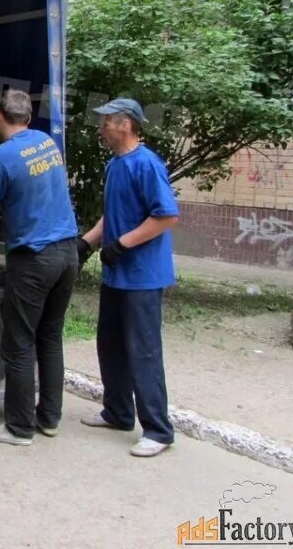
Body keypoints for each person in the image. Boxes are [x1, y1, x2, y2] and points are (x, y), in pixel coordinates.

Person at [0, 89, 80, 446]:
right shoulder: (47, 143)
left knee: (19, 342)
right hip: (67, 253)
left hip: (34, 258)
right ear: (29, 119)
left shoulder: (1, 156)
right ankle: (49, 418)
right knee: (50, 337)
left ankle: (18, 428)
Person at [77, 97, 179, 458]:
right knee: (110, 345)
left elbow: (165, 216)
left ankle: (158, 430)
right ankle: (118, 412)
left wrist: (123, 243)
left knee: (143, 351)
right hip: (116, 275)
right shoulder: (115, 165)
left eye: (106, 122)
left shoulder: (146, 164)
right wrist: (86, 243)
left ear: (125, 125)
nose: (100, 128)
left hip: (142, 277)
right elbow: (113, 214)